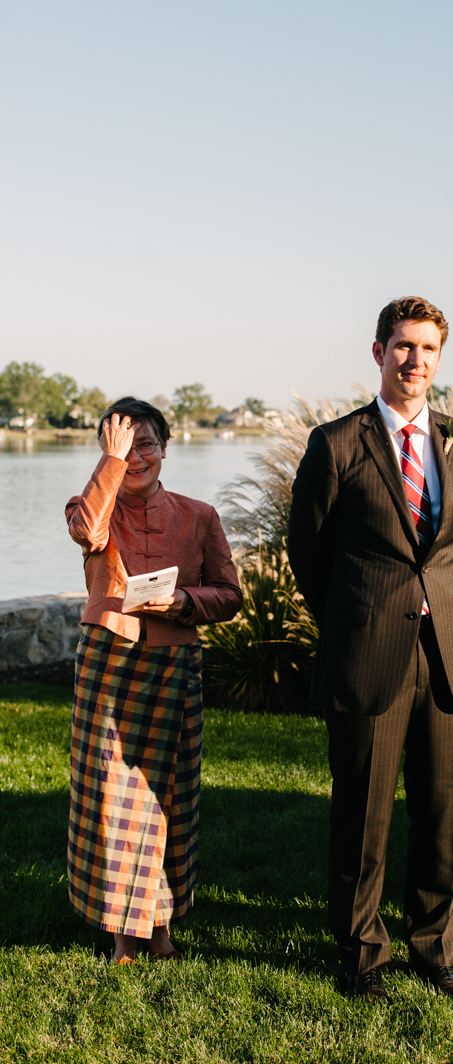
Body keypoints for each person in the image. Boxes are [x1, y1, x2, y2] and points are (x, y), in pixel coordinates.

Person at [288, 296, 453, 1001]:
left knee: (440, 812)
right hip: (368, 651)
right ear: (378, 352)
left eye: (429, 349)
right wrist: (352, 619)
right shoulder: (337, 442)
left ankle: (435, 949)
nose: (416, 361)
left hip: (448, 655)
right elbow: (306, 549)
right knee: (363, 814)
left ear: (440, 356)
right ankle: (362, 954)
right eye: (404, 346)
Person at [65, 397, 242, 964]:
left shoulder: (200, 515)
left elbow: (230, 595)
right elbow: (88, 532)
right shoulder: (90, 505)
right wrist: (110, 466)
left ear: (165, 448)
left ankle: (160, 923)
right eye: (122, 445)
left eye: (146, 444)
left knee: (170, 798)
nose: (137, 456)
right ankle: (121, 931)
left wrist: (184, 600)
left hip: (174, 667)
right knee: (112, 801)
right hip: (107, 666)